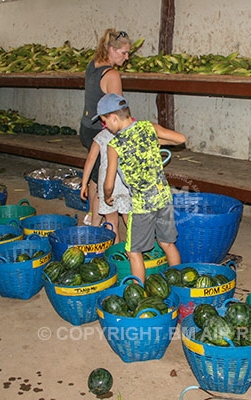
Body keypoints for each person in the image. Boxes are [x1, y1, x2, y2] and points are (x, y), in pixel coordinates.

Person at [95, 94, 186, 283]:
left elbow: (109, 181)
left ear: (113, 117)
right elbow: (180, 139)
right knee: (167, 243)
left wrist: (107, 196)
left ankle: (139, 292)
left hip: (142, 205)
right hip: (164, 198)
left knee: (133, 251)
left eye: (104, 122)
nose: (105, 127)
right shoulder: (149, 127)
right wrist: (154, 142)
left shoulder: (115, 145)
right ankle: (178, 283)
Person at [79, 29, 131, 227]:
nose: (126, 58)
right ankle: (98, 222)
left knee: (95, 175)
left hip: (86, 128)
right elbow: (118, 111)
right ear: (111, 49)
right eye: (123, 53)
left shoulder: (93, 64)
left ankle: (92, 215)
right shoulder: (112, 75)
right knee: (106, 181)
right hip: (103, 132)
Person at [80, 128, 131, 244]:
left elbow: (90, 160)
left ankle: (116, 253)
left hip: (107, 185)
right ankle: (135, 252)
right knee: (129, 220)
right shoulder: (130, 134)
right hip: (126, 185)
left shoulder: (101, 135)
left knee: (112, 223)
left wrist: (84, 184)